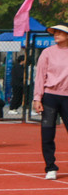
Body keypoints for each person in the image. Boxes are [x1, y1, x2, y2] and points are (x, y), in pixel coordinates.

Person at [32, 22, 68, 180]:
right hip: (50, 97)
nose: (56, 35)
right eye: (55, 32)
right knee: (47, 133)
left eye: (60, 32)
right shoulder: (47, 53)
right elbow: (40, 76)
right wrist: (37, 98)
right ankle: (50, 167)